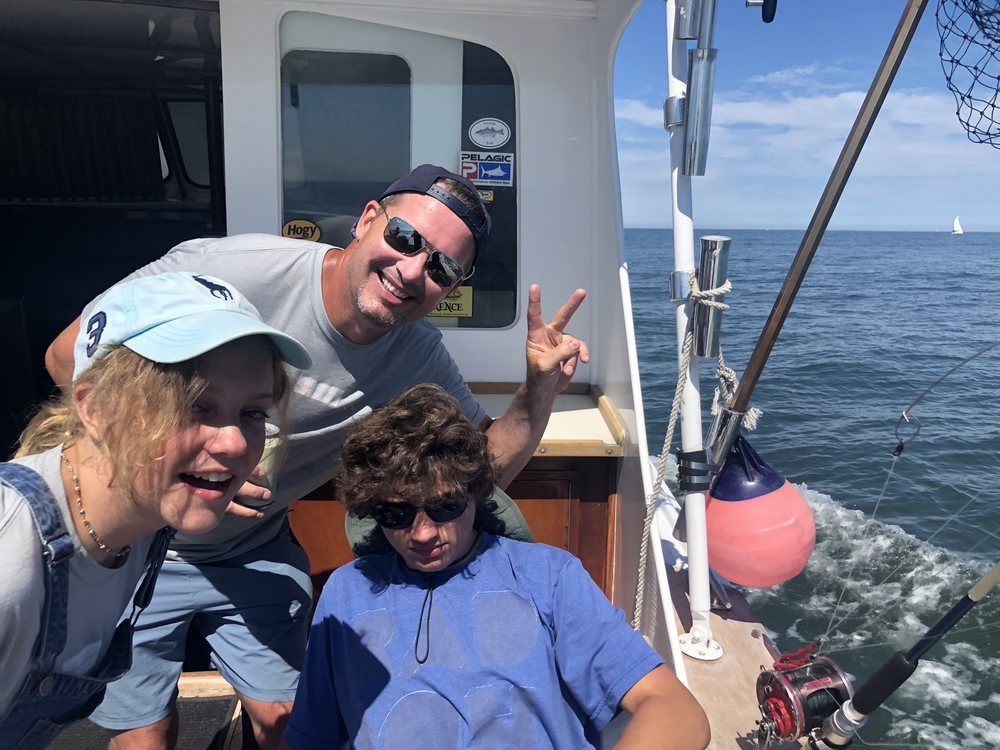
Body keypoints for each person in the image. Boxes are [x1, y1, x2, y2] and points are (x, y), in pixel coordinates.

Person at [43, 164, 589, 749]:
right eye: (405, 238)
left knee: (288, 722)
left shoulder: (418, 356)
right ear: (367, 219)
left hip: (250, 550)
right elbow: (67, 357)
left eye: (441, 268)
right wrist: (193, 462)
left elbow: (480, 471)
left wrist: (537, 391)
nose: (411, 270)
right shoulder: (235, 269)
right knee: (144, 735)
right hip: (135, 541)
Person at [283, 384, 711, 750]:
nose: (422, 533)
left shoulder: (548, 577)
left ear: (476, 492)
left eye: (444, 506)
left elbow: (674, 709)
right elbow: (312, 737)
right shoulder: (345, 590)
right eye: (395, 514)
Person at [0, 272, 310, 749]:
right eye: (194, 406)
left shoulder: (139, 527)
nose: (233, 444)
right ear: (97, 409)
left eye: (252, 413)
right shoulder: (11, 556)